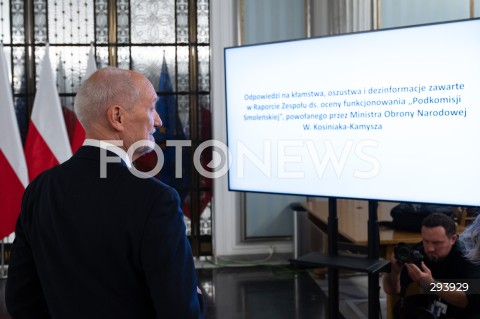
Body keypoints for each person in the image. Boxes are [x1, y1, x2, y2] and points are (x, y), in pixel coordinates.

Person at [5, 67, 205, 319]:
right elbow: (181, 312)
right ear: (117, 117)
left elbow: (20, 300)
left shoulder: (40, 189)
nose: (158, 121)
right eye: (151, 108)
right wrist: (193, 293)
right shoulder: (156, 201)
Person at [383, 212, 480, 319]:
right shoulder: (419, 252)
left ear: (452, 239)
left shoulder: (469, 256)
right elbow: (392, 291)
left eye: (436, 243)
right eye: (426, 241)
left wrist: (431, 285)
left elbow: (467, 301)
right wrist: (394, 272)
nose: (430, 248)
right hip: (434, 306)